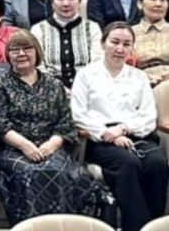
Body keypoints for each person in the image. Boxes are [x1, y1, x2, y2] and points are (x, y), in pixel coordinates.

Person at [0, 30, 106, 225]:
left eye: (27, 48)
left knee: (57, 172)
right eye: (15, 50)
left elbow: (65, 123)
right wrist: (25, 145)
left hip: (51, 146)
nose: (21, 53)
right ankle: (32, 227)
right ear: (8, 55)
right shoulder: (0, 85)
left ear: (37, 52)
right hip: (13, 148)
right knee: (30, 173)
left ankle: (62, 226)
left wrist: (51, 145)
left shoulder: (54, 84)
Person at [71, 21, 167, 231]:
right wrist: (108, 134)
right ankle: (138, 227)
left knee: (157, 163)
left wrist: (123, 129)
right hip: (99, 138)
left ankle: (156, 224)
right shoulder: (86, 75)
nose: (120, 48)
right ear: (102, 43)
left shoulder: (139, 77)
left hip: (136, 134)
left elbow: (148, 116)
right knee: (128, 163)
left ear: (132, 48)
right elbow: (78, 115)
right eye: (114, 42)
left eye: (126, 44)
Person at [30, 0, 102, 88]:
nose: (66, 3)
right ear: (52, 2)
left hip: (87, 87)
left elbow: (97, 63)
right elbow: (38, 66)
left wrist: (80, 89)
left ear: (80, 1)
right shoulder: (38, 29)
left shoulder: (92, 28)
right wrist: (58, 89)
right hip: (49, 89)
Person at [131, 0, 169, 85]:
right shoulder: (129, 33)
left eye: (163, 0)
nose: (158, 4)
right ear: (140, 4)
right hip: (140, 82)